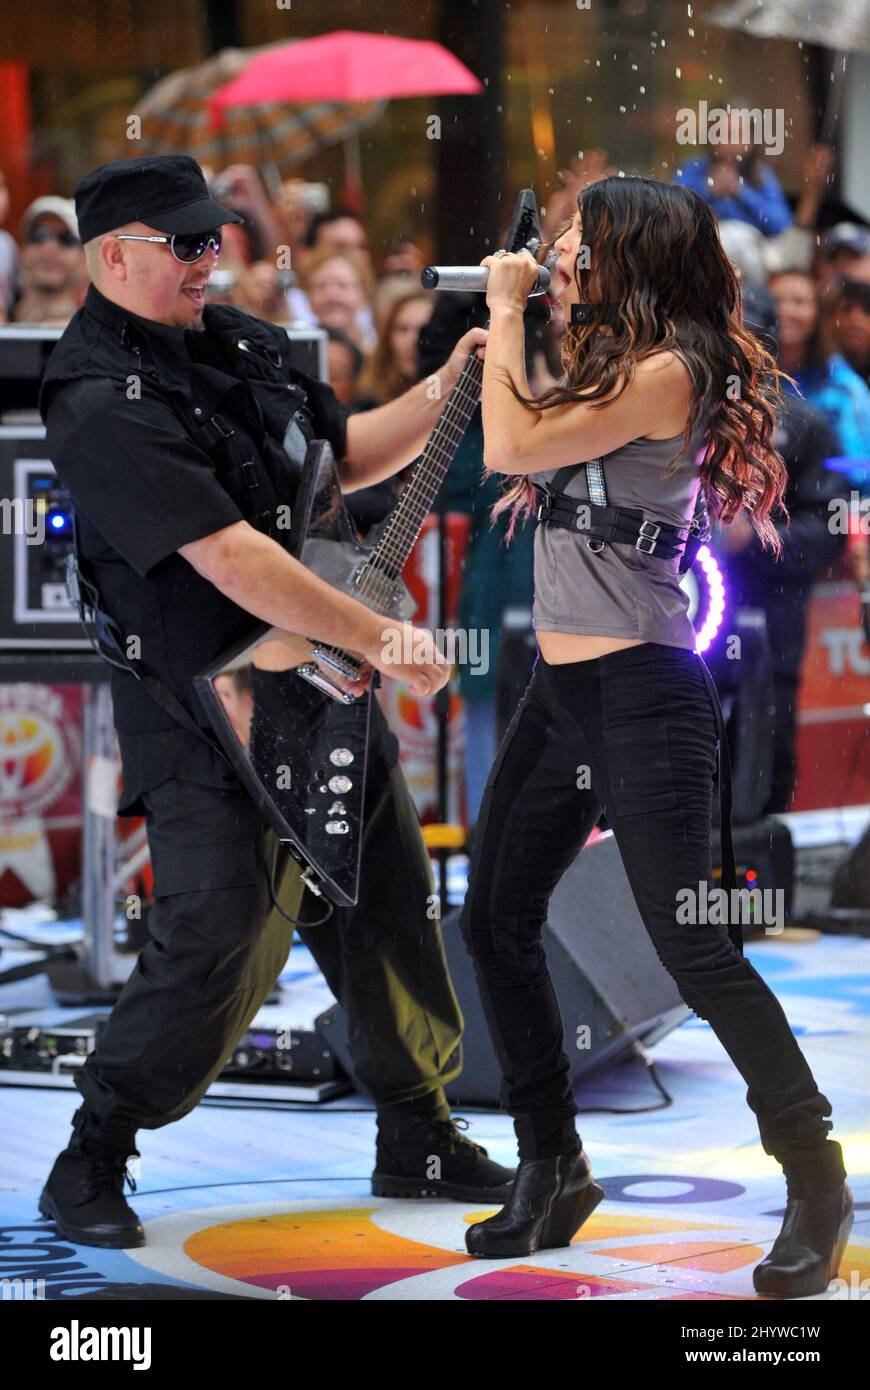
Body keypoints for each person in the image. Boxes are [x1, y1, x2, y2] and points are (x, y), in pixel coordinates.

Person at [36, 154, 513, 1251]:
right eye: (186, 245)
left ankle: (418, 1128)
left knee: (384, 893)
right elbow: (230, 557)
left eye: (217, 237)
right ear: (113, 256)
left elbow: (344, 461)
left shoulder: (244, 345)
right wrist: (385, 636)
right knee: (218, 933)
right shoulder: (98, 394)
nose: (214, 259)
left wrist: (454, 384)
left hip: (322, 673)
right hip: (198, 704)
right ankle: (95, 1151)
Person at [456, 175, 852, 1299]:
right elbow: (525, 423)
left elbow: (513, 445)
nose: (565, 252)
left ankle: (815, 1178)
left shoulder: (671, 370)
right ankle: (552, 1163)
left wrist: (505, 311)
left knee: (694, 942)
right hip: (560, 690)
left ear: (632, 252)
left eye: (585, 241)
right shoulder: (601, 356)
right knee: (494, 917)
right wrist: (528, 318)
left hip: (646, 689)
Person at [768, 267, 870, 467]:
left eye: (799, 302)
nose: (785, 310)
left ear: (818, 313)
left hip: (823, 493)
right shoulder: (744, 375)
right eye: (776, 300)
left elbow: (859, 466)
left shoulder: (842, 385)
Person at [13, 196, 85, 324]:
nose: (49, 247)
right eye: (39, 235)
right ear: (23, 250)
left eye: (65, 239)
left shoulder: (93, 333)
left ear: (83, 258)